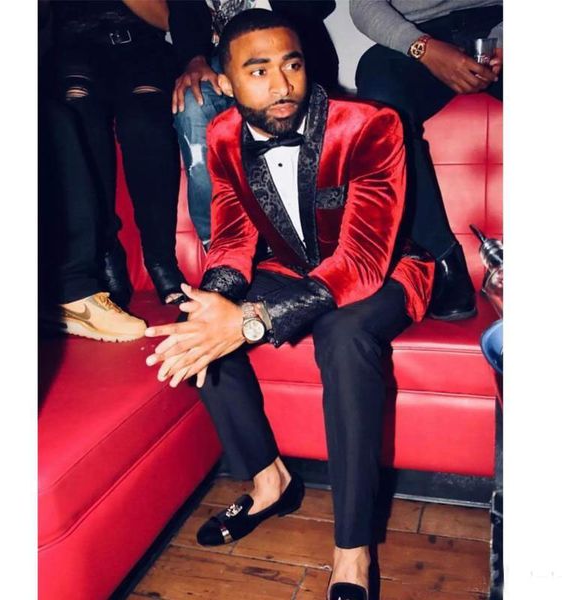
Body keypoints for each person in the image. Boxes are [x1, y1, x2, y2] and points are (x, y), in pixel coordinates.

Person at [145, 10, 433, 599]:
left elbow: (361, 261)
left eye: (292, 65)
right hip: (292, 267)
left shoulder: (369, 125)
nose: (282, 85)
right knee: (199, 322)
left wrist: (253, 321)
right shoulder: (222, 136)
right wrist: (218, 303)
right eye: (258, 71)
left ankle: (352, 550)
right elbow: (232, 240)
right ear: (225, 82)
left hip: (386, 271)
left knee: (343, 335)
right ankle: (268, 481)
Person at [351, 0, 503, 321]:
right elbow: (364, 5)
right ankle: (442, 262)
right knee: (379, 92)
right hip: (418, 36)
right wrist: (422, 48)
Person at [45, 0, 187, 308]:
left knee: (144, 123)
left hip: (141, 46)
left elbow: (169, 20)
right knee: (80, 120)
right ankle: (106, 250)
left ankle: (161, 258)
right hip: (73, 48)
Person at [168, 0, 340, 247]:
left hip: (286, 41)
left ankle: (307, 236)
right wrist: (194, 58)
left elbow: (321, 5)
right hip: (224, 55)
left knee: (282, 96)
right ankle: (219, 245)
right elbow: (183, 11)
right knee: (193, 103)